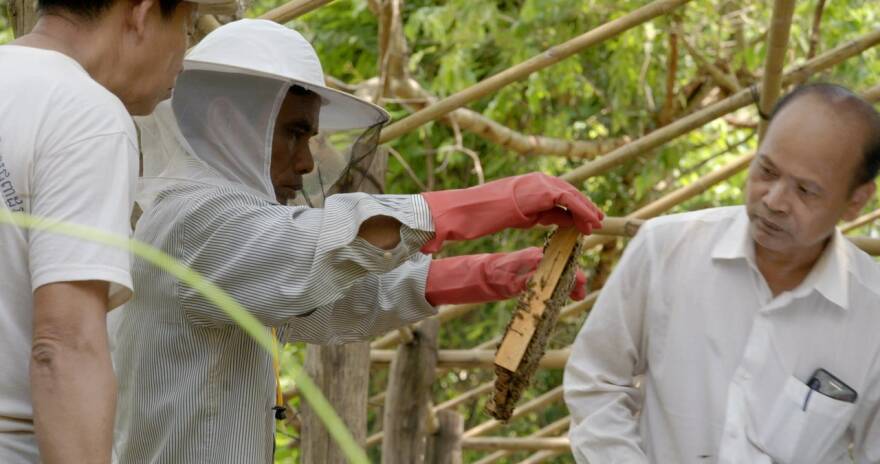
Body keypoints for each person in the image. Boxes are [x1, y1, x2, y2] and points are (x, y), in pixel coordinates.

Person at [111, 19, 603, 463]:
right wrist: (489, 203)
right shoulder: (196, 219)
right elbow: (320, 245)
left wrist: (481, 275)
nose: (306, 163)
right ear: (227, 122)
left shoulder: (213, 229)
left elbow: (334, 302)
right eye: (294, 133)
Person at [564, 83, 880, 464]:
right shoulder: (665, 249)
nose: (774, 200)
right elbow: (596, 380)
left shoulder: (872, 314)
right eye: (766, 170)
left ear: (857, 201)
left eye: (806, 191)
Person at [0, 1, 230, 462]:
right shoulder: (86, 116)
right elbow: (64, 346)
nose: (181, 58)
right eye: (184, 28)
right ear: (141, 13)